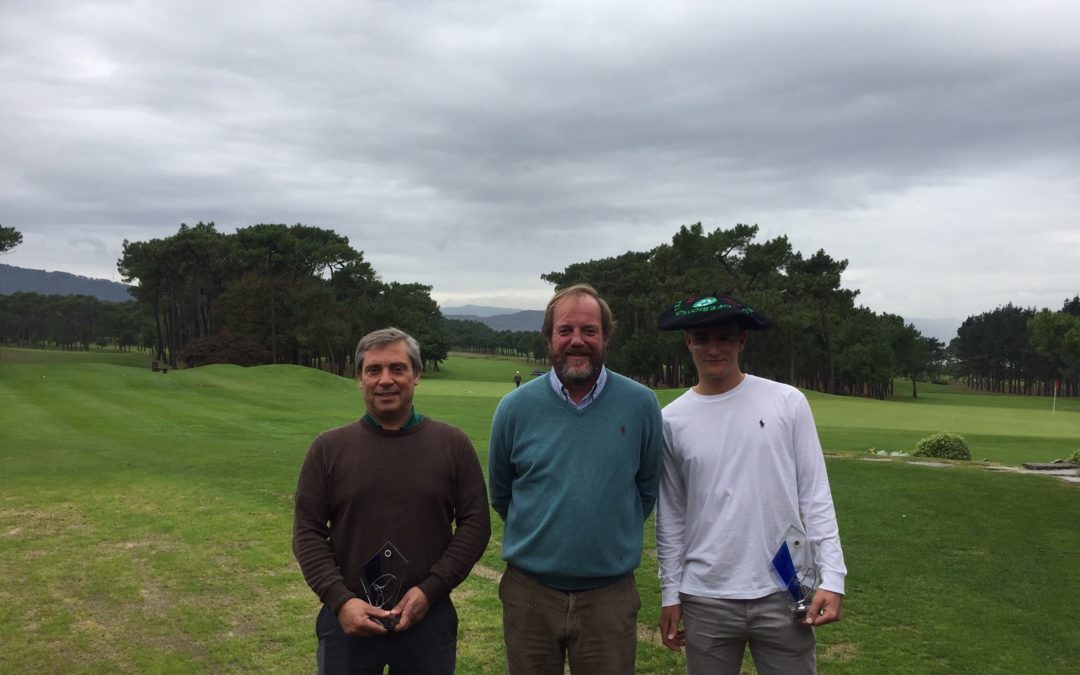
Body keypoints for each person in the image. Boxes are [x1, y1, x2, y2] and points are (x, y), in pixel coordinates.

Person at [655, 293, 847, 674]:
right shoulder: (671, 420)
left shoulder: (786, 402)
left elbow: (814, 495)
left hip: (783, 589)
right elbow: (672, 516)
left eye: (725, 338)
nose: (713, 349)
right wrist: (670, 593)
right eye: (702, 339)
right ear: (687, 341)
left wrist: (834, 576)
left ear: (742, 341)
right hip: (706, 594)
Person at [293, 327, 491, 674]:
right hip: (348, 622)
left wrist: (431, 590)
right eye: (374, 370)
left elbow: (476, 524)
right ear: (360, 378)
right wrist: (340, 601)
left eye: (397, 369)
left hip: (428, 619)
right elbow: (307, 533)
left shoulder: (452, 445)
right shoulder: (328, 449)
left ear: (417, 374)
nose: (385, 380)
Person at [488, 283, 664, 674]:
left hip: (609, 596)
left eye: (589, 330)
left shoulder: (641, 405)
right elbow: (501, 492)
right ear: (549, 337)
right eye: (565, 330)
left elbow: (646, 489)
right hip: (529, 593)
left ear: (606, 337)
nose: (577, 341)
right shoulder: (514, 408)